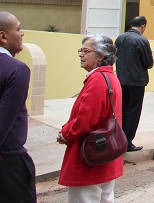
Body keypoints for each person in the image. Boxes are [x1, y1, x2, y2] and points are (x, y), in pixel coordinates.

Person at [57, 35, 123, 202]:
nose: (81, 54)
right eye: (81, 50)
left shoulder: (98, 80)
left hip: (91, 155)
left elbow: (85, 120)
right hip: (104, 152)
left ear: (100, 55)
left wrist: (66, 133)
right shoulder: (109, 77)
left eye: (86, 51)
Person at [0, 11, 36, 203]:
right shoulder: (16, 70)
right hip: (8, 164)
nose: (22, 33)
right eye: (19, 29)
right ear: (3, 36)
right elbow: (3, 122)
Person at [115, 16, 153, 152]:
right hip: (136, 81)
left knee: (122, 110)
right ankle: (127, 141)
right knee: (133, 112)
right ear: (142, 26)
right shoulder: (142, 40)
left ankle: (119, 139)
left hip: (121, 79)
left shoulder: (120, 38)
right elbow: (148, 62)